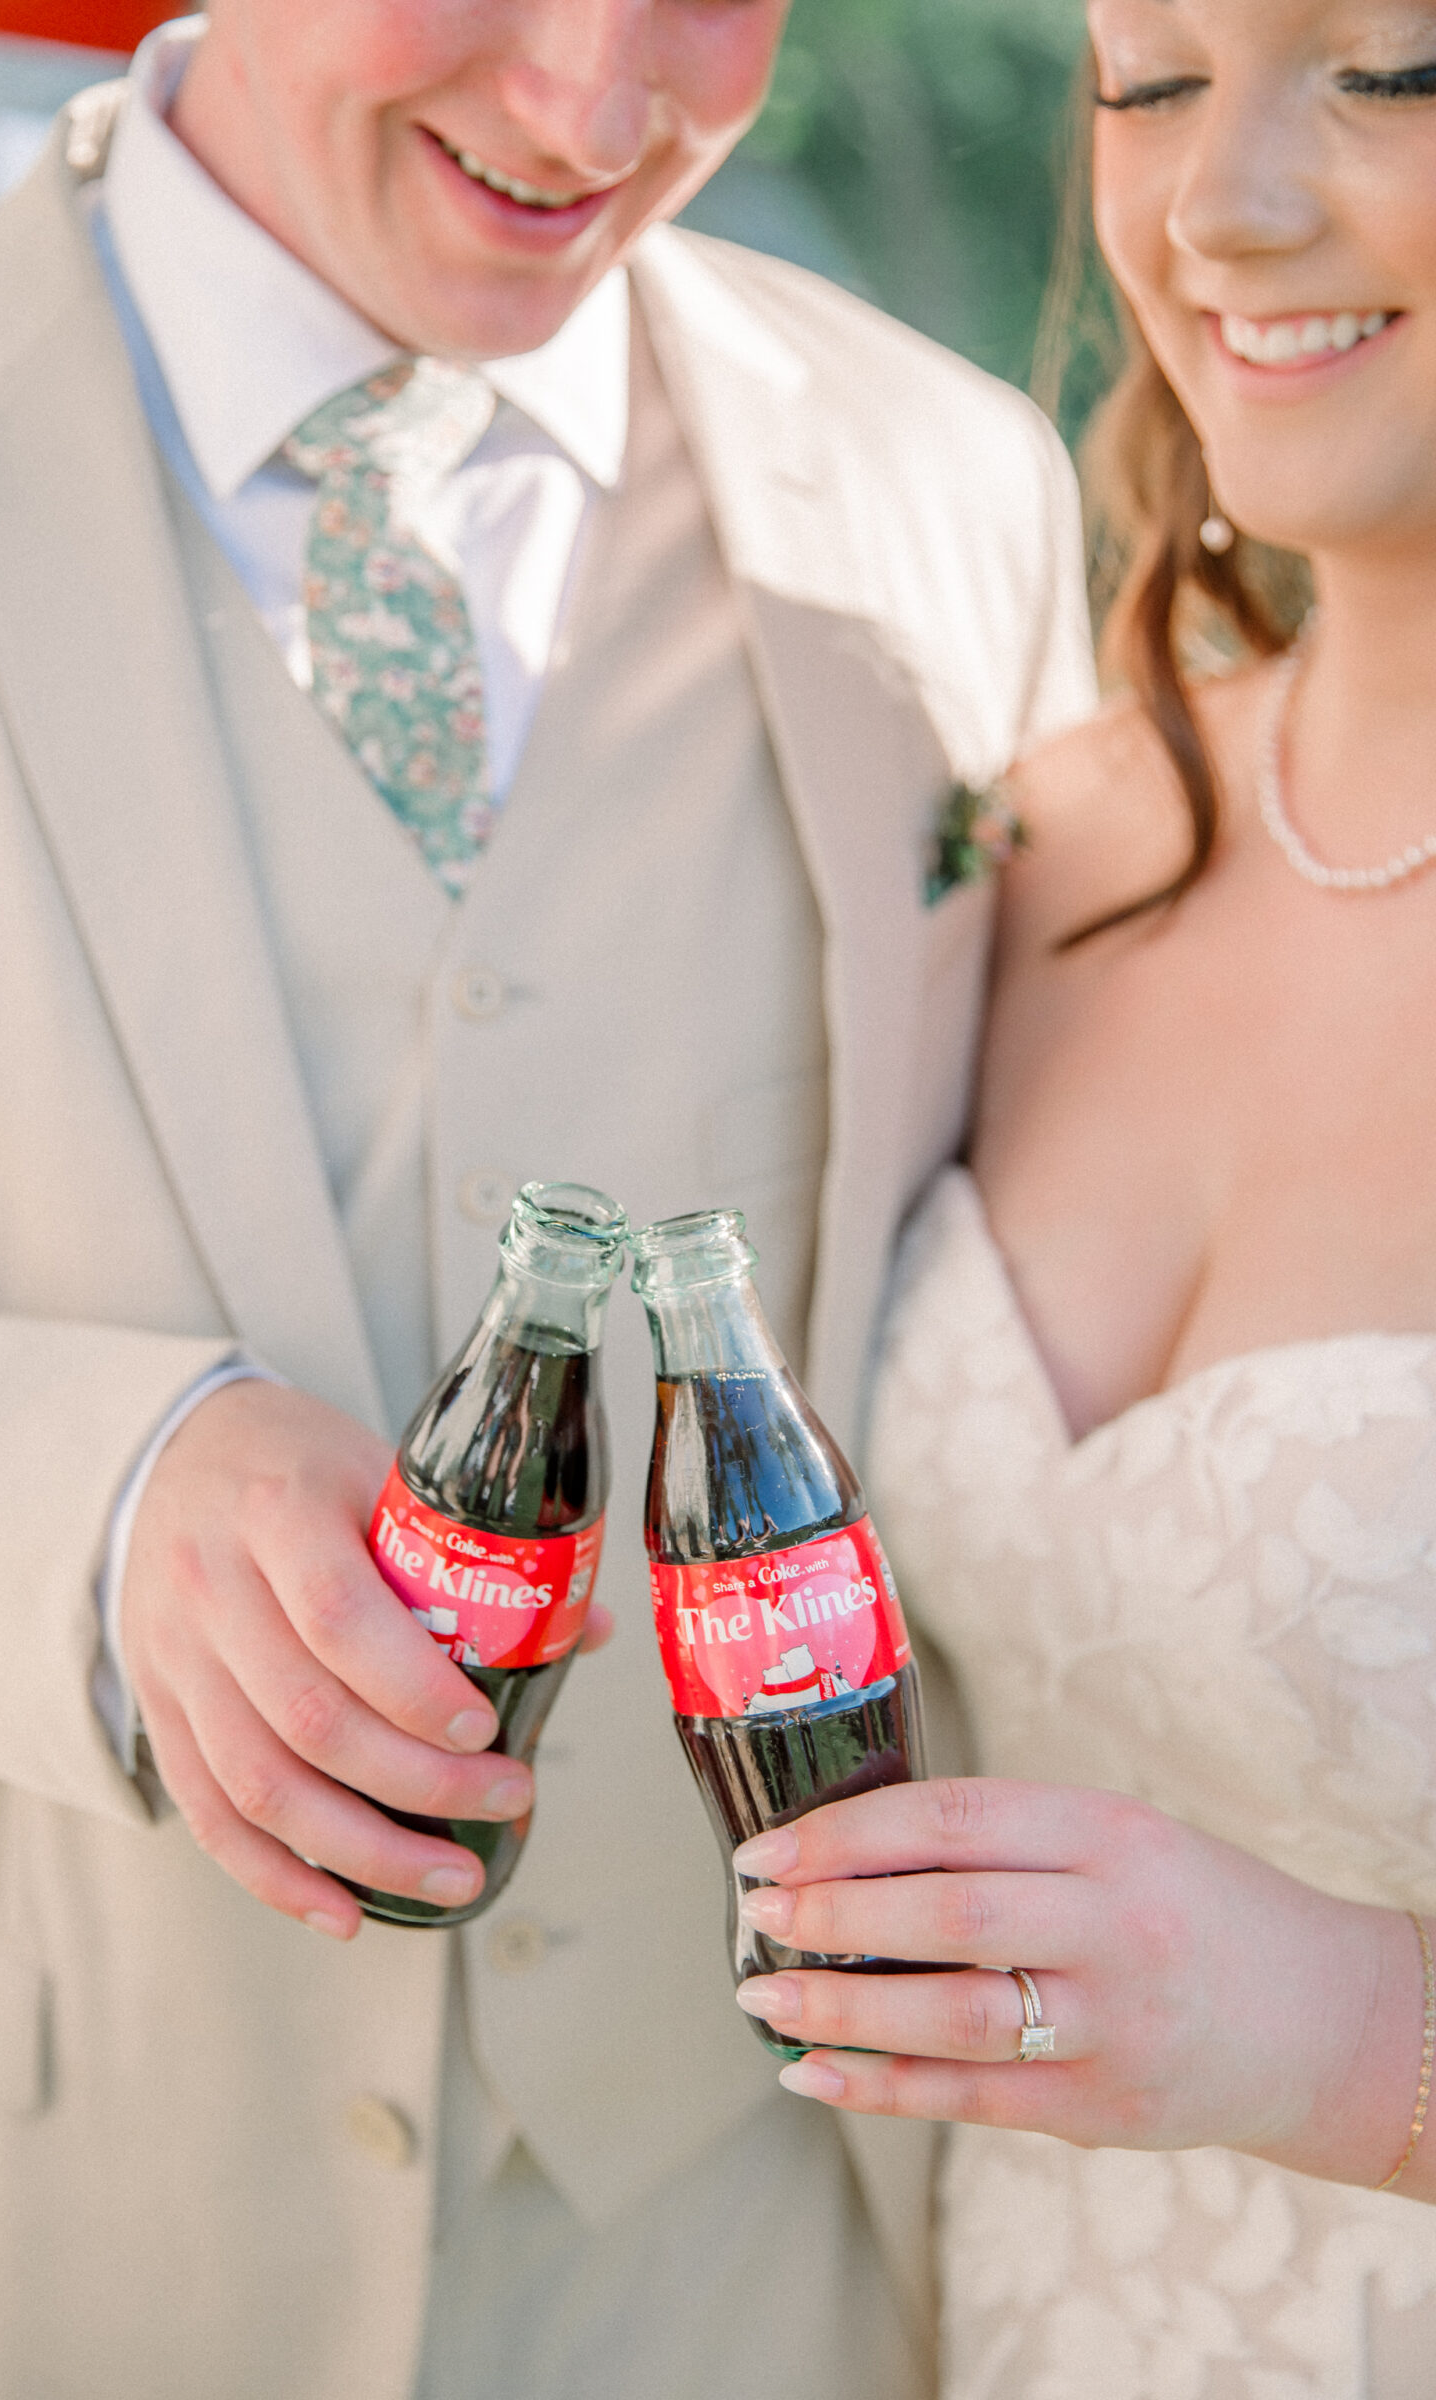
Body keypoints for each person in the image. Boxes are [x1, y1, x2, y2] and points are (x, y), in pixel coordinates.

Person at [0, 4, 1095, 2393]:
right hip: (38, 2230)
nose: (588, 110)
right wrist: (73, 1511)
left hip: (765, 2255)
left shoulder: (958, 489)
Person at [729, 0, 1436, 2390]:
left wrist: (1344, 2037)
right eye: (1145, 75)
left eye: (1394, 71)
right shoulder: (1035, 848)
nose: (1215, 205)